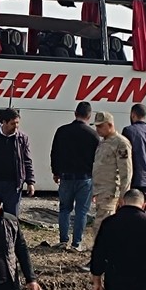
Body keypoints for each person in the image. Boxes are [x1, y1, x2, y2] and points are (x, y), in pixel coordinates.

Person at [50, 102, 100, 251]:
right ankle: (76, 243)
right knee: (81, 212)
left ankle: (63, 240)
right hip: (85, 178)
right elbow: (97, 159)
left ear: (75, 113)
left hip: (65, 177)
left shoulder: (62, 131)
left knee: (64, 209)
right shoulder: (93, 135)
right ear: (89, 116)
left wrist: (56, 172)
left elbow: (55, 153)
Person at [91, 111, 133, 229]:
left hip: (110, 191)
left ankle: (101, 247)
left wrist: (124, 195)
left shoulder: (120, 143)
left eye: (100, 126)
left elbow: (126, 170)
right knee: (101, 224)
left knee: (103, 225)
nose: (98, 129)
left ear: (110, 125)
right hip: (101, 191)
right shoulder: (104, 142)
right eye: (96, 126)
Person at [122, 103, 146, 200]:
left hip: (134, 178)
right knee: (143, 209)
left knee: (130, 208)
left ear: (133, 115)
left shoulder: (128, 131)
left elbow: (124, 155)